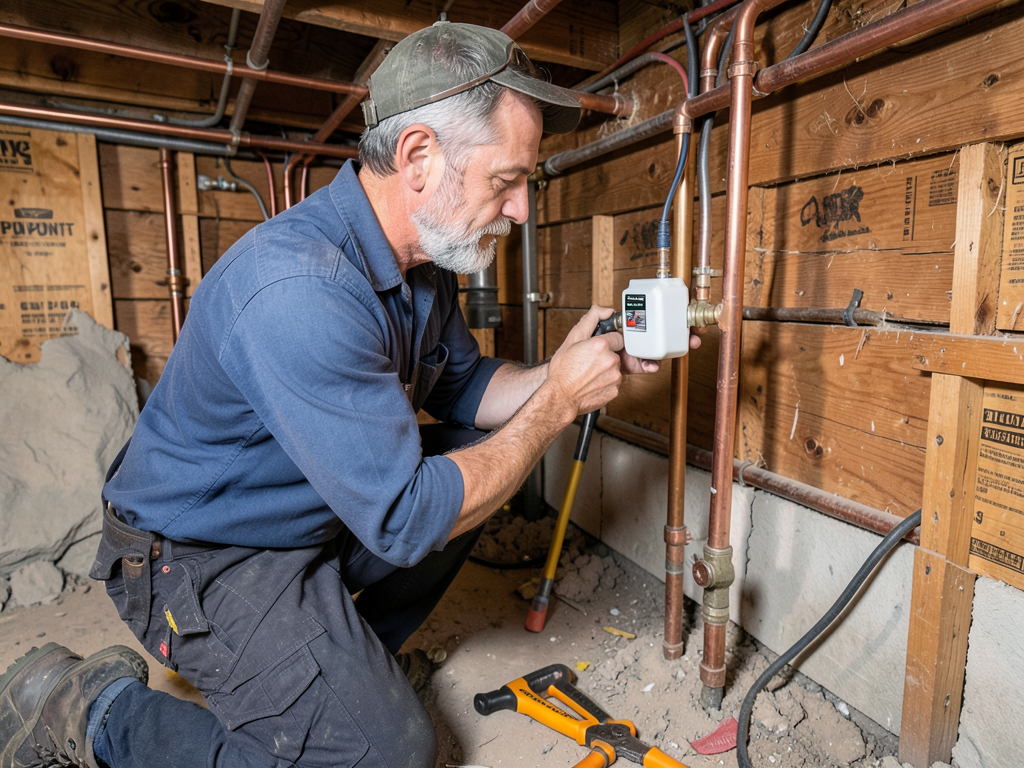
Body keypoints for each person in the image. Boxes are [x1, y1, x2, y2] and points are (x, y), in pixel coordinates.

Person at [0, 20, 668, 768]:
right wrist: (557, 407)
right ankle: (91, 713)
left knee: (478, 451)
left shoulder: (419, 267)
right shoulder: (301, 289)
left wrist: (565, 369)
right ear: (419, 157)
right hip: (196, 558)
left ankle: (344, 678)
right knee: (386, 755)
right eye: (506, 181)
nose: (519, 210)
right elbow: (408, 520)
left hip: (297, 520)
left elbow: (467, 389)